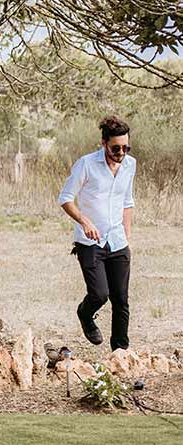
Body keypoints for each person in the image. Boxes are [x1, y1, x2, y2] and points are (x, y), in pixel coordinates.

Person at [57, 115, 135, 351]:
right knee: (100, 294)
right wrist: (84, 221)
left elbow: (127, 202)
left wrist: (127, 240)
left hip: (118, 240)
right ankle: (85, 312)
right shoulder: (86, 164)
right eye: (116, 148)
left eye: (125, 147)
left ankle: (120, 352)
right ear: (103, 143)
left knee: (121, 300)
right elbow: (65, 199)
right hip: (90, 242)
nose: (121, 152)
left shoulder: (130, 165)